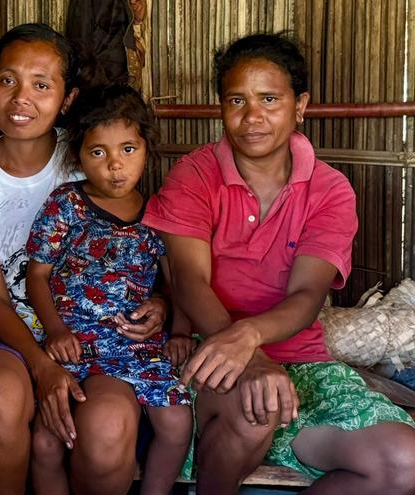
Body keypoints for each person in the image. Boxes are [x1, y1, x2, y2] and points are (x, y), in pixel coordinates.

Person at [142, 32, 415, 494]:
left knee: (404, 463)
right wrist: (246, 359)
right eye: (236, 100)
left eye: (269, 99)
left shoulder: (329, 190)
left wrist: (249, 339)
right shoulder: (195, 174)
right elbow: (189, 280)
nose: (252, 117)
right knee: (255, 411)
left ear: (300, 104)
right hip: (210, 353)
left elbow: (307, 297)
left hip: (304, 364)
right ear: (221, 107)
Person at [0, 23, 133, 494]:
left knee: (106, 423)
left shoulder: (88, 159)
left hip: (94, 331)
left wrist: (162, 307)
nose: (20, 98)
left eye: (41, 85)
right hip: (9, 332)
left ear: (67, 98)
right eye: (7, 80)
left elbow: (136, 248)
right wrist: (43, 366)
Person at [24, 83, 193, 495]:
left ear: (145, 150)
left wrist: (175, 322)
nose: (115, 165)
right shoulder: (67, 204)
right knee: (48, 442)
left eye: (128, 150)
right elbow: (37, 276)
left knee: (177, 422)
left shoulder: (157, 215)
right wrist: (56, 330)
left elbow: (178, 283)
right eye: (98, 152)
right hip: (76, 344)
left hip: (137, 345)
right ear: (78, 155)